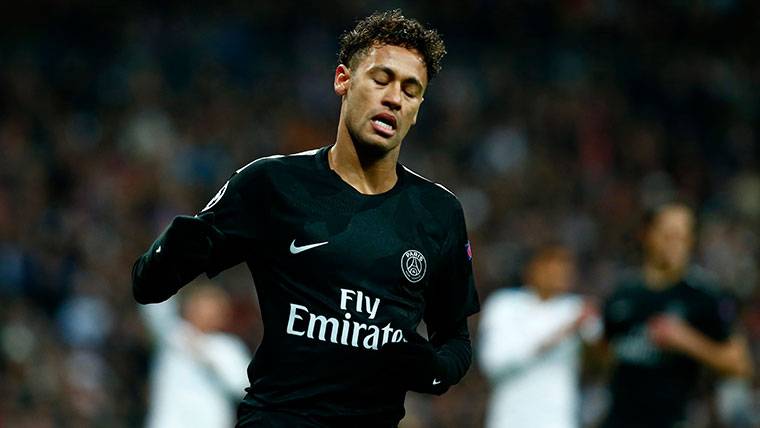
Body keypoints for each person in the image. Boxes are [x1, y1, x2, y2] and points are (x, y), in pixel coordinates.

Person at [131, 9, 480, 428]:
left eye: (410, 89)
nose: (394, 98)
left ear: (418, 108)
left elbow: (455, 339)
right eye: (381, 79)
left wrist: (434, 370)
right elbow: (148, 284)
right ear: (343, 80)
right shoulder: (273, 183)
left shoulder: (438, 211)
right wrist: (176, 249)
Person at [602, 203, 753, 428]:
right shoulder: (623, 292)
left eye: (683, 237)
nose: (676, 244)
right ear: (647, 235)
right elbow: (604, 358)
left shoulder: (703, 295)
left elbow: (741, 366)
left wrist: (686, 340)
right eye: (669, 235)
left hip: (671, 420)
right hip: (618, 421)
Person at [478, 245, 601, 428]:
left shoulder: (577, 308)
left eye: (565, 267)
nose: (560, 273)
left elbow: (600, 364)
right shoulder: (504, 305)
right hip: (510, 419)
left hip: (557, 420)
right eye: (552, 266)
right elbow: (493, 363)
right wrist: (560, 334)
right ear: (532, 268)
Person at [139, 282, 251, 428]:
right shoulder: (173, 333)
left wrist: (209, 357)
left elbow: (243, 386)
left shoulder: (228, 348)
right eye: (201, 306)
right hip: (169, 422)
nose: (206, 314)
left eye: (213, 309)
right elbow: (153, 305)